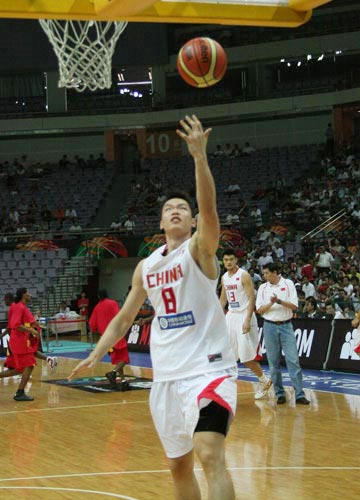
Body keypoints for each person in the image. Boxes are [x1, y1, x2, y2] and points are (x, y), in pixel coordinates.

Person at [69, 115, 238, 500]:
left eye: (183, 207)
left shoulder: (199, 251)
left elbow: (211, 214)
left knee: (211, 454)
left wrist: (199, 159)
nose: (176, 210)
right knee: (179, 467)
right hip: (166, 378)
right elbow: (125, 318)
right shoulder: (147, 266)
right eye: (169, 207)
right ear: (160, 220)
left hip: (208, 370)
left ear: (193, 221)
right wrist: (95, 354)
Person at [220, 249, 272, 400]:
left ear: (236, 260)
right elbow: (223, 299)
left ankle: (264, 380)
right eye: (225, 260)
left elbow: (251, 299)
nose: (228, 262)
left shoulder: (243, 275)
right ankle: (225, 386)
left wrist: (248, 319)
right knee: (227, 354)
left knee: (246, 356)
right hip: (231, 316)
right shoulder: (224, 277)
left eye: (231, 259)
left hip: (244, 315)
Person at [256, 263, 310, 405]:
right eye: (264, 273)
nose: (265, 276)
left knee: (293, 360)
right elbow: (260, 310)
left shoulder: (288, 284)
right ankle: (279, 393)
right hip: (269, 326)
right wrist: (272, 304)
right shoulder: (263, 288)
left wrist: (278, 301)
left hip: (286, 325)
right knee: (273, 362)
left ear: (275, 272)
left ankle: (299, 394)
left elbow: (295, 306)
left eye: (267, 273)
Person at [0, 293, 57, 374]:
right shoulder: (16, 307)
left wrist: (1, 336)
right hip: (26, 331)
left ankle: (21, 370)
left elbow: (11, 326)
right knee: (31, 351)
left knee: (27, 354)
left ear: (8, 299)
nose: (4, 302)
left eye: (5, 300)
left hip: (24, 333)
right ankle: (49, 359)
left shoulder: (14, 307)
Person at [88, 289, 130, 389]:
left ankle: (123, 380)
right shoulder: (112, 303)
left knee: (118, 359)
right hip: (116, 336)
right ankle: (113, 373)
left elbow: (92, 325)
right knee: (124, 359)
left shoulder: (97, 308)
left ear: (98, 296)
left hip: (105, 341)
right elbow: (119, 316)